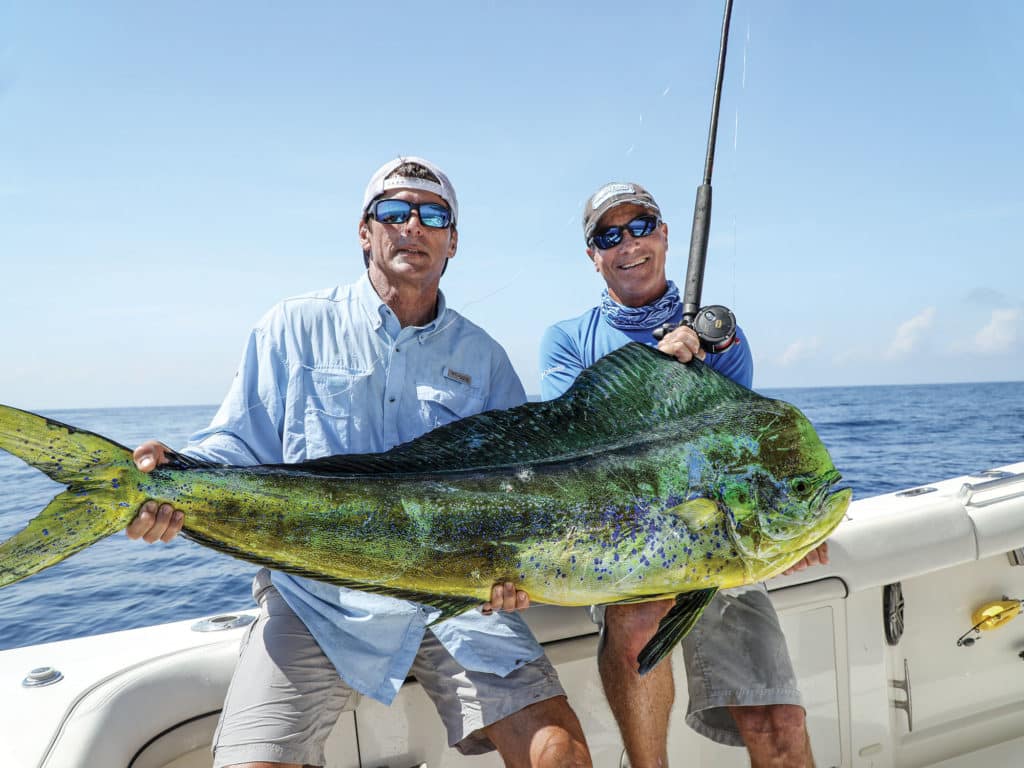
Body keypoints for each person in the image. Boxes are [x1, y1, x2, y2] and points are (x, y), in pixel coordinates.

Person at [127, 157, 593, 768]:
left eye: (433, 216)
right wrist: (172, 475)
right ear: (365, 231)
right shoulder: (293, 326)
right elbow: (238, 443)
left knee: (557, 754)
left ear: (453, 240)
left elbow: (520, 495)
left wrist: (519, 572)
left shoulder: (485, 359)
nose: (412, 227)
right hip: (316, 595)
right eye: (394, 212)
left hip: (451, 598)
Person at [539, 181, 828, 768]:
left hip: (721, 543)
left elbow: (749, 463)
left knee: (781, 722)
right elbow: (573, 459)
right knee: (639, 614)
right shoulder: (567, 341)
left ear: (665, 235)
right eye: (609, 235)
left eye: (641, 226)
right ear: (593, 255)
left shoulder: (721, 337)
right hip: (629, 542)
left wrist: (804, 531)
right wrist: (654, 374)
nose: (629, 244)